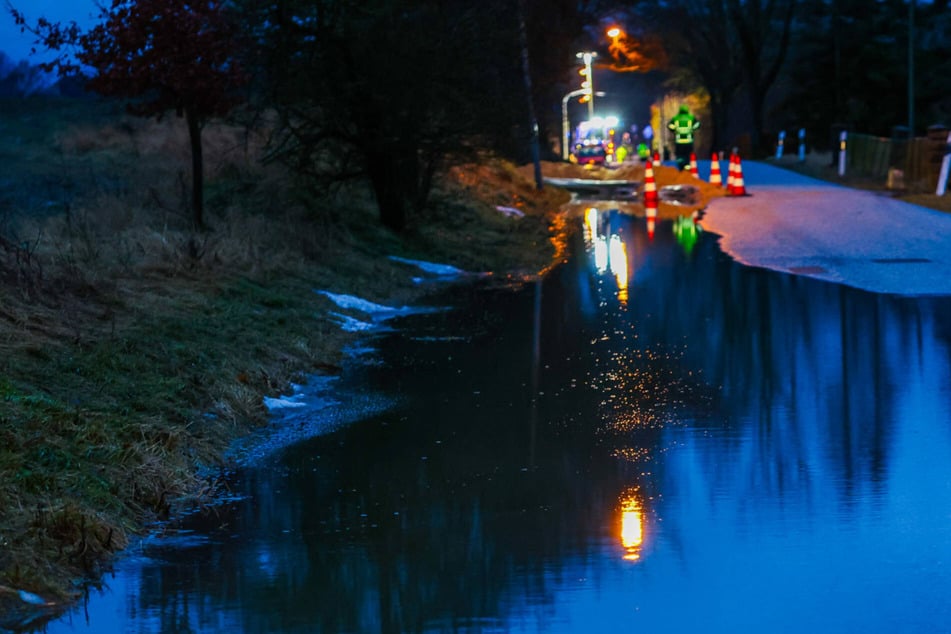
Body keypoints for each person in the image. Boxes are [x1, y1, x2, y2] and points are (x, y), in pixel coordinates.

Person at [667, 105, 699, 170]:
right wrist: (692, 129)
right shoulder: (691, 117)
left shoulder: (676, 118)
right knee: (687, 155)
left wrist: (674, 130)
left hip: (679, 140)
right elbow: (697, 124)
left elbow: (670, 126)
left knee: (679, 154)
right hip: (688, 140)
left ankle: (681, 166)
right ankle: (687, 167)